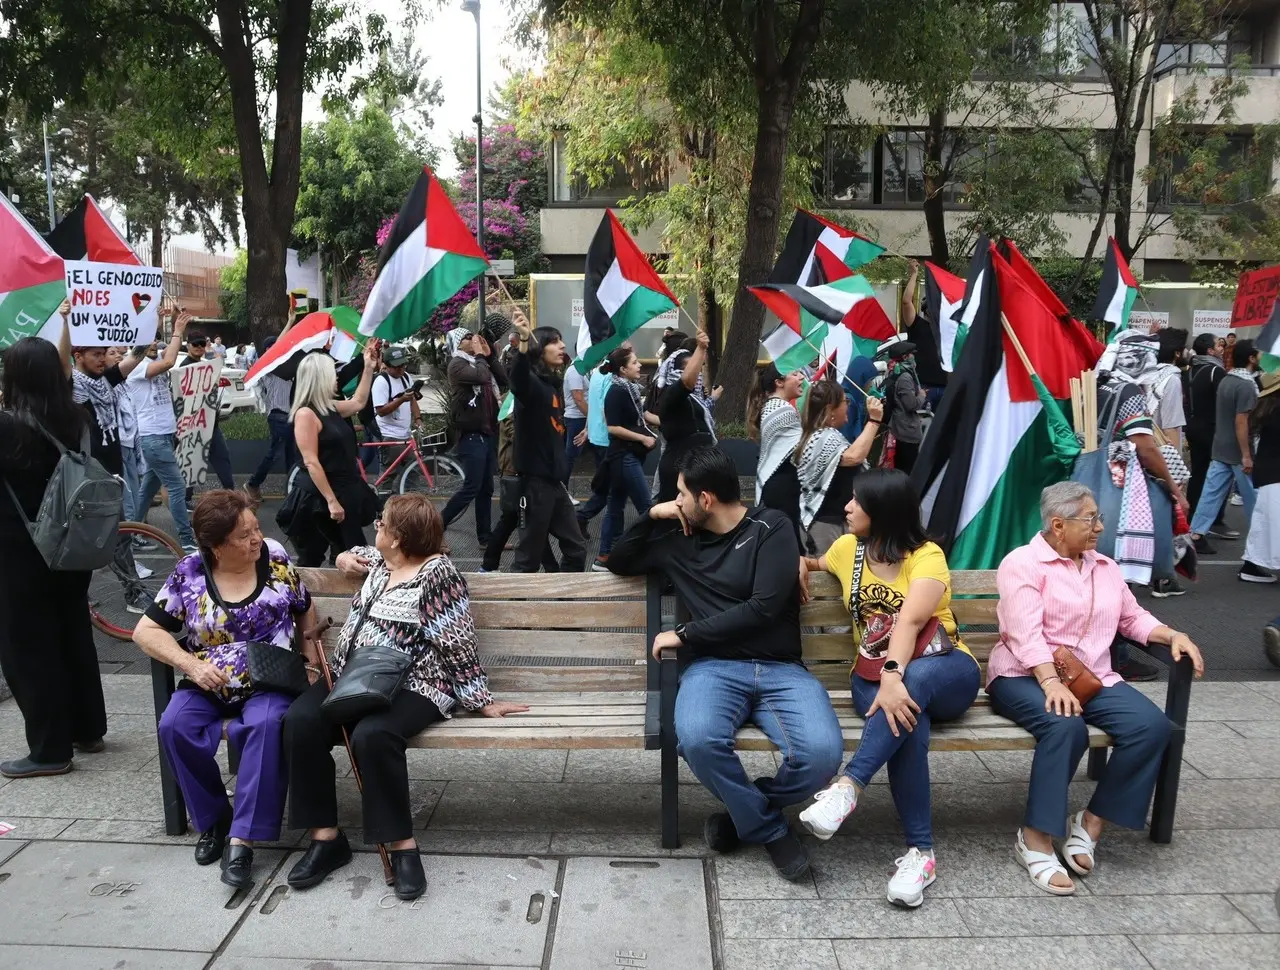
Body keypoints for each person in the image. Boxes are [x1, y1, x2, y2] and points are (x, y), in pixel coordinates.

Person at [606, 446, 843, 881]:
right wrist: (653, 515)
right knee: (696, 738)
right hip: (713, 670)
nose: (677, 501)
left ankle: (741, 817)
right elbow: (618, 560)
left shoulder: (772, 526)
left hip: (781, 671)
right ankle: (771, 830)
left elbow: (764, 608)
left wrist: (683, 634)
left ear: (707, 499)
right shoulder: (678, 540)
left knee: (823, 755)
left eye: (681, 494)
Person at [283, 494, 528, 900]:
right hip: (353, 676)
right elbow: (355, 552)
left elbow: (457, 642)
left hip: (416, 684)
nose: (375, 526)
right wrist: (344, 557)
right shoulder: (381, 562)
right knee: (300, 722)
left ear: (398, 538)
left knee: (372, 735)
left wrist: (480, 699)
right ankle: (326, 839)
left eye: (382, 524)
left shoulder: (438, 575)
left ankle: (401, 845)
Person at [986, 481, 1203, 895]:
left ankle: (1091, 821)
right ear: (1057, 524)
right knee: (1065, 725)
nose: (1100, 526)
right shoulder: (1024, 563)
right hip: (1021, 676)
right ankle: (1034, 837)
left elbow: (1132, 618)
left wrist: (1170, 634)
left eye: (1098, 518)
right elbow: (1023, 634)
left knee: (1152, 727)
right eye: (1091, 519)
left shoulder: (1104, 567)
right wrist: (1050, 681)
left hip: (1093, 678)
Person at [797, 469, 981, 908]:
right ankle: (922, 854)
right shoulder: (847, 550)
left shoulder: (926, 555)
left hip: (945, 668)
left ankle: (848, 788)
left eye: (856, 501)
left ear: (882, 510)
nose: (846, 507)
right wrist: (795, 562)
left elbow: (913, 621)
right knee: (907, 723)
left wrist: (895, 675)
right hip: (874, 678)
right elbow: (812, 562)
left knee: (910, 690)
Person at [133, 490, 318, 888]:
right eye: (243, 535)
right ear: (215, 547)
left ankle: (242, 840)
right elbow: (145, 631)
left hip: (270, 679)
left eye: (255, 527)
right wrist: (190, 664)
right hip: (208, 680)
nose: (256, 539)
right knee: (174, 725)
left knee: (267, 724)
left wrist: (312, 661)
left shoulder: (276, 560)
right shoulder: (190, 573)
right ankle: (216, 819)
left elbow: (304, 608)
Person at [0, 314, 108, 779]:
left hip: (20, 551)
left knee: (28, 646)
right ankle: (88, 727)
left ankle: (48, 749)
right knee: (72, 632)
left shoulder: (7, 426)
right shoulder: (77, 418)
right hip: (72, 547)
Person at [1093, 330, 1188, 598]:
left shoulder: (1099, 383)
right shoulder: (1130, 391)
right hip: (1121, 476)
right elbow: (1145, 447)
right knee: (1121, 543)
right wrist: (1174, 487)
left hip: (1093, 469)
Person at [508, 312, 587, 573]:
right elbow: (517, 379)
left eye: (561, 340)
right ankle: (515, 612)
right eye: (554, 341)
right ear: (538, 349)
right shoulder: (530, 385)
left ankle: (564, 604)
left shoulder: (552, 386)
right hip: (534, 486)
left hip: (555, 485)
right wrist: (522, 339)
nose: (562, 346)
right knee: (528, 559)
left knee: (576, 548)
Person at [291, 343, 382, 564]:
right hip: (322, 497)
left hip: (344, 488)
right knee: (315, 557)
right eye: (332, 375)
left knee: (350, 552)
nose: (336, 379)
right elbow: (311, 461)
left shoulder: (328, 407)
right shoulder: (305, 414)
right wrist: (331, 501)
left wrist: (368, 367)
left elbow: (358, 402)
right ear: (320, 379)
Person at [130, 311, 197, 552]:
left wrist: (158, 321)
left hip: (164, 437)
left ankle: (132, 533)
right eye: (148, 340)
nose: (153, 343)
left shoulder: (150, 358)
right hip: (153, 438)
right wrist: (177, 329)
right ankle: (187, 541)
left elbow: (165, 353)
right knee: (177, 487)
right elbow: (169, 361)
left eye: (155, 338)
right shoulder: (135, 367)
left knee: (147, 489)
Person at [1189, 338, 1260, 562]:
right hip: (1239, 452)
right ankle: (1260, 545)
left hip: (1220, 447)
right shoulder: (1246, 385)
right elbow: (1242, 422)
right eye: (1257, 354)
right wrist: (1247, 454)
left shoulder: (1227, 379)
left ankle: (1196, 533)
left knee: (1210, 495)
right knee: (1256, 502)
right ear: (1250, 358)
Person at [795, 380, 884, 556]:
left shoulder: (825, 434)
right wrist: (874, 421)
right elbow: (855, 456)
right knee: (825, 579)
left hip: (833, 523)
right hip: (825, 526)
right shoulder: (821, 436)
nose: (849, 405)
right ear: (830, 409)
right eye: (846, 402)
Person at [593, 346, 656, 571]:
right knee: (647, 508)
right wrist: (642, 438)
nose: (640, 365)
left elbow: (641, 415)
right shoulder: (617, 391)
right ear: (622, 369)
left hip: (627, 455)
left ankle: (605, 555)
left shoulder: (629, 389)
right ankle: (652, 554)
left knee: (616, 505)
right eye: (635, 362)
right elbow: (613, 427)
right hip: (624, 456)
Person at [440, 329, 506, 546]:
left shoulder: (478, 361)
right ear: (459, 344)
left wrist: (489, 356)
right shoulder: (456, 365)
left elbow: (503, 379)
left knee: (486, 488)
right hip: (470, 434)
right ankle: (435, 528)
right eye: (468, 337)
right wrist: (480, 357)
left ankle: (485, 538)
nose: (474, 339)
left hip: (487, 432)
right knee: (472, 487)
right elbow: (481, 377)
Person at [653, 332, 719, 502]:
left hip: (696, 466)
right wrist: (701, 347)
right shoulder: (671, 394)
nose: (698, 371)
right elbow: (686, 383)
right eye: (692, 367)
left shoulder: (694, 400)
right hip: (678, 467)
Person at [1184, 332, 1235, 548]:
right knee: (1218, 477)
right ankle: (1213, 520)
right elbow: (1224, 401)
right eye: (1218, 344)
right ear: (1209, 350)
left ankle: (1193, 517)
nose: (1222, 347)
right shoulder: (1216, 371)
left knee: (1198, 474)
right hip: (1212, 430)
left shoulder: (1188, 371)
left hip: (1193, 428)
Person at [747, 364, 805, 533]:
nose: (801, 377)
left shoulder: (776, 406)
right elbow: (805, 446)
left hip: (780, 484)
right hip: (783, 487)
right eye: (795, 373)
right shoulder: (781, 409)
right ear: (779, 382)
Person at [179, 333, 235, 495]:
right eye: (195, 344)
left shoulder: (205, 365)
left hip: (210, 423)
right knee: (193, 464)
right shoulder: (185, 367)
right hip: (194, 426)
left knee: (221, 458)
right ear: (188, 345)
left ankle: (231, 493)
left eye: (202, 344)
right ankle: (185, 499)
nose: (199, 347)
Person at [245, 335, 297, 506]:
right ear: (267, 350)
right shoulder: (267, 366)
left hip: (290, 415)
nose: (276, 349)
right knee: (276, 453)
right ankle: (253, 484)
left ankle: (292, 490)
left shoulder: (287, 365)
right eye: (272, 347)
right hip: (277, 415)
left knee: (291, 454)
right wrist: (289, 322)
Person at [1240, 373, 1280, 584]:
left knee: (1265, 521)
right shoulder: (1275, 411)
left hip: (1268, 472)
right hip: (1274, 473)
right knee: (1270, 522)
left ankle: (1252, 564)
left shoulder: (1266, 409)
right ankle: (1252, 565)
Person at [574, 354, 619, 538]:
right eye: (631, 357)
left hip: (598, 436)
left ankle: (584, 518)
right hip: (607, 439)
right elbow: (603, 408)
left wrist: (587, 428)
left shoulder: (598, 373)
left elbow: (594, 404)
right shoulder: (609, 376)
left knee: (609, 487)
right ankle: (582, 517)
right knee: (611, 489)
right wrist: (617, 432)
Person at [901, 260, 949, 411]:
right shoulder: (917, 324)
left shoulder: (947, 329)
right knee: (923, 429)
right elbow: (906, 301)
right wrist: (914, 274)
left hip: (945, 389)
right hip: (923, 388)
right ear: (925, 309)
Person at [366, 344, 421, 478]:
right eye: (397, 367)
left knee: (413, 470)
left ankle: (410, 498)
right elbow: (381, 411)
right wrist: (402, 399)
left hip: (405, 433)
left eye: (403, 365)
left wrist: (418, 419)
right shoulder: (381, 382)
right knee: (388, 474)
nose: (401, 369)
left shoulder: (406, 377)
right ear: (387, 366)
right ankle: (384, 497)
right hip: (388, 434)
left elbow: (412, 400)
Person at [876, 337, 926, 474]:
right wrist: (921, 395)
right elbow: (911, 405)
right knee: (907, 469)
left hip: (899, 427)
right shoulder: (905, 377)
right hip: (906, 430)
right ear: (905, 357)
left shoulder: (895, 372)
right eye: (911, 355)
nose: (914, 357)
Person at [1150, 328, 1188, 448]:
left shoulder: (1149, 373)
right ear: (1177, 353)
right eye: (1184, 348)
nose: (1187, 352)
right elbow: (1171, 427)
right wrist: (1176, 463)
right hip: (1162, 452)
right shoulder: (1171, 380)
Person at [562, 353, 590, 491]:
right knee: (570, 455)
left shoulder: (582, 370)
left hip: (583, 417)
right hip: (576, 418)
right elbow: (578, 399)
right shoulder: (575, 371)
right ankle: (563, 490)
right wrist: (592, 418)